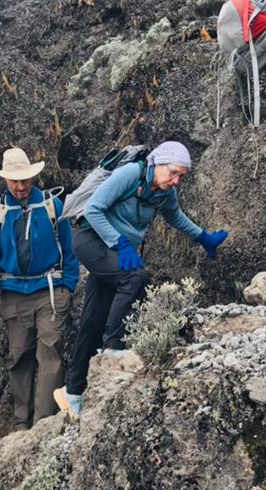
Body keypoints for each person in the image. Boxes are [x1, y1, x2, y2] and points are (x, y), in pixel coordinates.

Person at [54, 141, 227, 419]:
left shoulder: (163, 192)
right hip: (90, 239)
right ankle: (114, 347)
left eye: (181, 176)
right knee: (136, 277)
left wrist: (203, 237)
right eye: (173, 173)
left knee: (93, 318)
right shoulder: (130, 175)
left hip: (114, 249)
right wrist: (120, 243)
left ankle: (72, 391)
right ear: (158, 163)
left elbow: (176, 217)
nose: (176, 180)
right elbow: (95, 209)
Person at [0, 147, 79, 430]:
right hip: (12, 295)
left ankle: (44, 423)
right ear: (6, 180)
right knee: (19, 355)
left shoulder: (52, 206)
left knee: (50, 354)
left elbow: (70, 249)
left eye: (25, 180)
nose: (21, 186)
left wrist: (67, 286)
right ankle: (22, 422)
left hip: (50, 292)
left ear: (33, 177)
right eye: (14, 181)